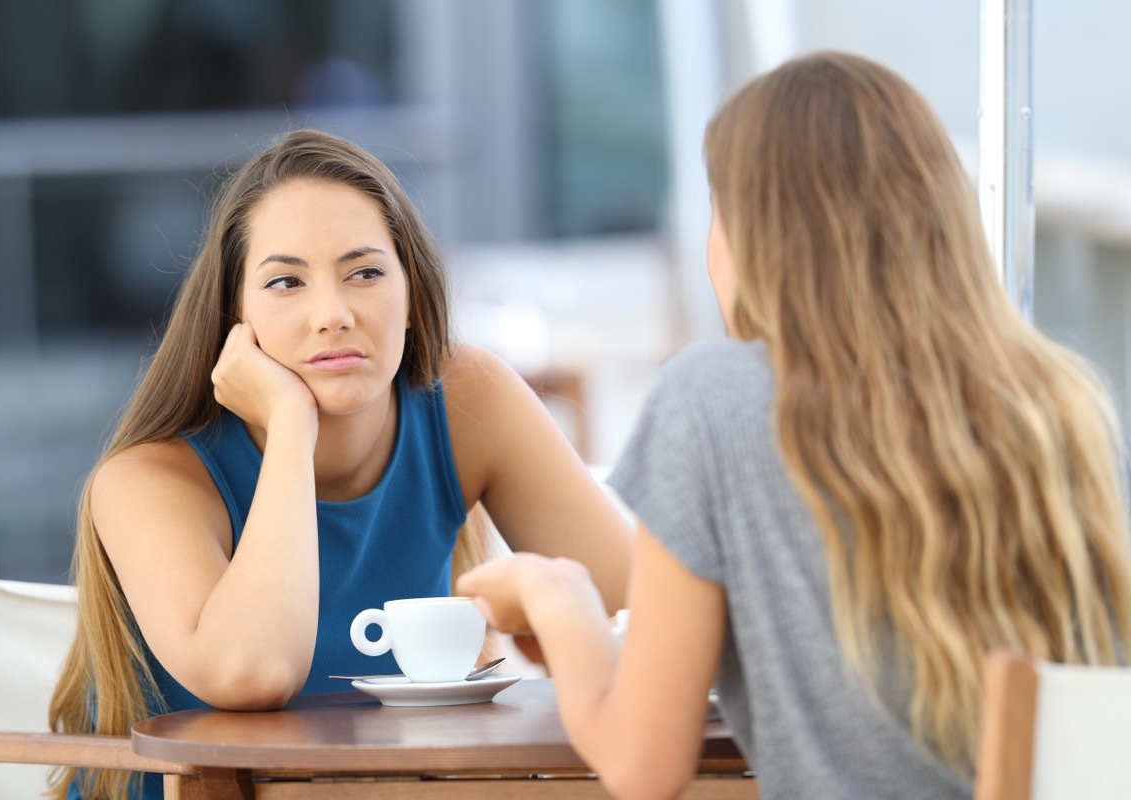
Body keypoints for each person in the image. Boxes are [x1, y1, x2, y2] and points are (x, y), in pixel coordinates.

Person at [458, 50, 1131, 800]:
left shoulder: (713, 401)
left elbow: (643, 764)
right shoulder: (1055, 402)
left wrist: (558, 598)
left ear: (755, 231)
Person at [47, 129, 633, 800]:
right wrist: (291, 424)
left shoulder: (468, 400)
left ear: (412, 295)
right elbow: (255, 671)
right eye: (285, 282)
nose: (333, 314)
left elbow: (636, 600)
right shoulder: (146, 482)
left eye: (365, 273)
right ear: (237, 317)